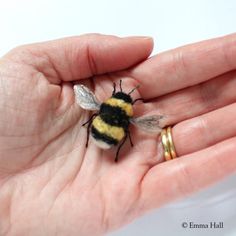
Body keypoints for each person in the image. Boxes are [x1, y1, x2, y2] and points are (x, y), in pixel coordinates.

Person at [0, 33, 235, 235]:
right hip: (109, 136)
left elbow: (96, 113)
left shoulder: (100, 105)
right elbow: (129, 127)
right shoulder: (128, 115)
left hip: (102, 133)